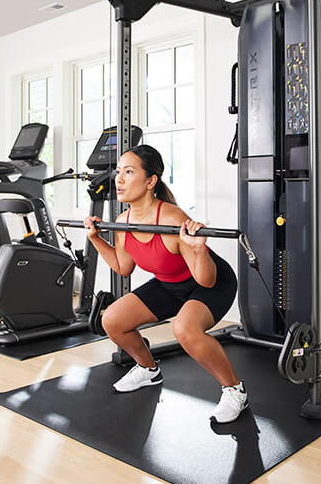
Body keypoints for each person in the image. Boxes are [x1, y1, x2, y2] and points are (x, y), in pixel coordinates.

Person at [84, 144, 248, 424]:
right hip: (169, 284)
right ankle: (148, 369)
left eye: (129, 172)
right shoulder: (123, 222)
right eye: (118, 172)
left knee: (184, 329)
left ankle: (235, 390)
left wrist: (197, 249)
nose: (119, 179)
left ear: (150, 181)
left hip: (210, 281)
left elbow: (205, 279)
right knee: (112, 319)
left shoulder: (172, 218)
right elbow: (124, 268)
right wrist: (97, 239)